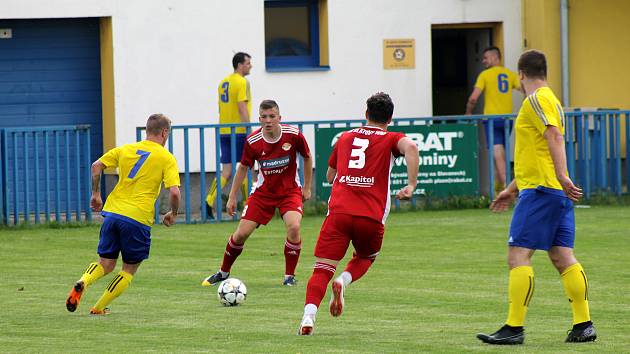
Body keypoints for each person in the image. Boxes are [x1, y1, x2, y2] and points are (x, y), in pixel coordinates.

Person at [476, 50, 596, 344]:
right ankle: (583, 325)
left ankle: (513, 328)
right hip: (550, 189)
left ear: (520, 74)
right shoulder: (551, 98)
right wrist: (511, 188)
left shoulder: (537, 99)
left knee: (518, 255)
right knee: (562, 256)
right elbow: (537, 151)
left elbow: (554, 137)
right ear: (546, 71)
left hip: (543, 190)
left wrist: (563, 175)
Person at [298, 92, 419, 335]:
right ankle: (343, 281)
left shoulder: (344, 137)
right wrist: (411, 184)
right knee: (366, 257)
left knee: (322, 268)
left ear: (366, 114)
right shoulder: (391, 138)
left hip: (339, 212)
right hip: (370, 216)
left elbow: (330, 176)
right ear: (390, 119)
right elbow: (412, 147)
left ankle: (308, 317)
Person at [65, 114, 181, 315]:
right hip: (137, 218)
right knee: (128, 270)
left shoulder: (126, 149)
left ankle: (83, 280)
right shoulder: (166, 157)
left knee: (106, 263)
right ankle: (98, 308)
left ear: (147, 130)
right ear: (164, 133)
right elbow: (174, 191)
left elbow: (96, 165)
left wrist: (95, 193)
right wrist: (173, 212)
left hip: (113, 214)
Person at [202, 99, 313, 287]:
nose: (268, 120)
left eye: (272, 116)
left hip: (289, 191)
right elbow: (243, 168)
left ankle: (289, 277)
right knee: (240, 234)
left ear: (279, 118)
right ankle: (223, 272)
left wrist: (307, 187)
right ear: (259, 119)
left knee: (294, 227)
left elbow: (307, 158)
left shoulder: (293, 135)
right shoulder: (253, 141)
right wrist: (231, 197)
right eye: (264, 117)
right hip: (263, 194)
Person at [466, 46, 521, 193]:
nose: (483, 61)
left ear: (495, 58)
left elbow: (473, 98)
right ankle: (497, 191)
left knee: (497, 153)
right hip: (508, 119)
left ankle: (507, 187)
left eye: (486, 58)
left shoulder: (485, 75)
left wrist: (468, 112)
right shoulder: (510, 74)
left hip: (491, 120)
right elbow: (525, 88)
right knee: (501, 152)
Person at [205, 52, 253, 219]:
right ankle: (249, 204)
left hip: (224, 130)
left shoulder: (223, 82)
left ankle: (208, 201)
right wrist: (249, 129)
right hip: (239, 131)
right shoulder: (242, 82)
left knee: (226, 171)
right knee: (245, 167)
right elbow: (242, 106)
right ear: (239, 65)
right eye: (248, 63)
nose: (250, 66)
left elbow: (220, 107)